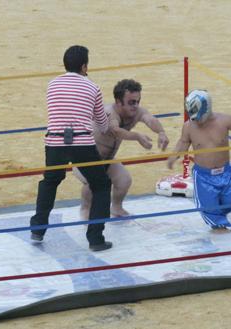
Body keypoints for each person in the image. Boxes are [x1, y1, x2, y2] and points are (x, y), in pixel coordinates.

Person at [30, 45, 113, 252]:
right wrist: (105, 125)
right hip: (82, 144)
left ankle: (38, 229)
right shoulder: (93, 87)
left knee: (50, 181)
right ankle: (95, 238)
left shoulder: (52, 84)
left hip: (55, 142)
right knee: (101, 184)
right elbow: (102, 124)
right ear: (84, 66)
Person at [74, 79, 169, 219]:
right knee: (93, 181)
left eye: (138, 101)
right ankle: (85, 208)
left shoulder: (136, 112)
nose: (136, 105)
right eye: (131, 102)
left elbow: (150, 119)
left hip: (107, 160)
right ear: (118, 102)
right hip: (85, 158)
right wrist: (137, 136)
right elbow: (115, 130)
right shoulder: (109, 112)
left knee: (124, 180)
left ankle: (116, 207)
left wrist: (161, 132)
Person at [167, 89, 231, 230]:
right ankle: (218, 225)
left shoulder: (225, 120)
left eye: (198, 117)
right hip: (203, 176)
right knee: (208, 207)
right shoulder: (189, 127)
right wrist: (173, 157)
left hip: (226, 172)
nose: (196, 120)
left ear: (207, 109)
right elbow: (183, 143)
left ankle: (219, 216)